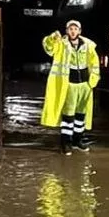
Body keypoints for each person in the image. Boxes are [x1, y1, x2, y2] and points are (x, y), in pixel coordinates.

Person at [40, 20, 101, 155]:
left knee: (81, 115)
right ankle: (65, 143)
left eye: (75, 29)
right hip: (70, 85)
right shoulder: (61, 44)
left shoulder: (88, 45)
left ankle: (77, 140)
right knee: (68, 115)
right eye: (70, 29)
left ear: (80, 31)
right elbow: (48, 47)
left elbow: (95, 63)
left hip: (85, 85)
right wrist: (52, 38)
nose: (73, 31)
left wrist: (93, 81)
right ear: (67, 31)